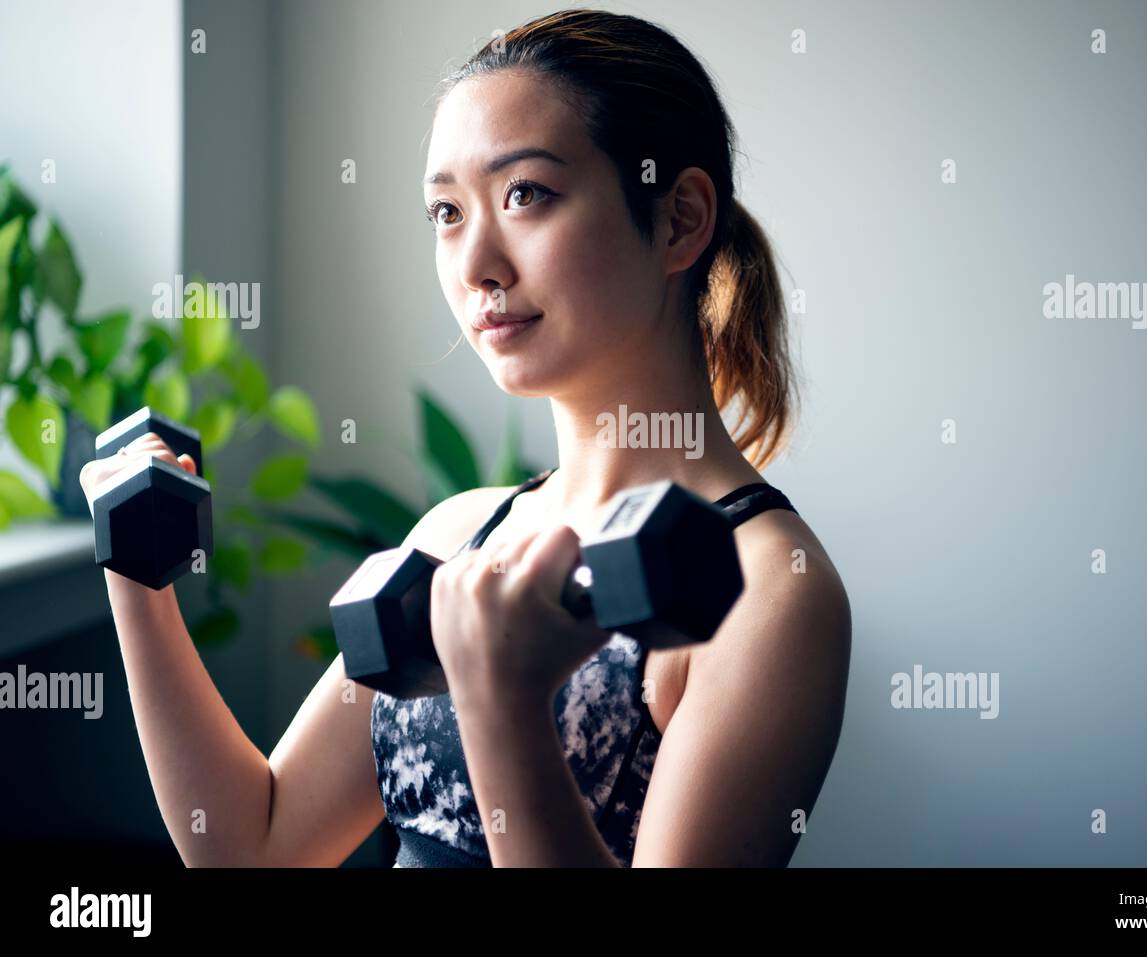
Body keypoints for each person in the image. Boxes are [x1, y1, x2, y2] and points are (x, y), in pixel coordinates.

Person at [81, 7, 851, 868]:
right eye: (446, 211)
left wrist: (503, 702)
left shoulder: (769, 590)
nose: (477, 263)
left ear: (679, 219)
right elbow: (249, 849)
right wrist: (138, 580)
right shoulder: (457, 537)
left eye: (526, 194)